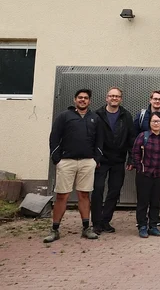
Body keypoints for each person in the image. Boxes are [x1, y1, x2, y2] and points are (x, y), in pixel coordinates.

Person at [44, 89, 103, 243]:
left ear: (89, 101)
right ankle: (55, 229)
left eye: (85, 98)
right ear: (74, 99)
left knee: (84, 195)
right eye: (80, 98)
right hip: (66, 161)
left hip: (87, 162)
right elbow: (54, 137)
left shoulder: (95, 118)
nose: (83, 100)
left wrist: (96, 159)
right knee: (62, 195)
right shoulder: (64, 116)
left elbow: (100, 140)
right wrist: (57, 159)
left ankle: (86, 228)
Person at [92, 87, 134, 234]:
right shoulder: (97, 115)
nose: (114, 98)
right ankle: (96, 222)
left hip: (118, 160)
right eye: (111, 96)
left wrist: (131, 159)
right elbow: (92, 138)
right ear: (106, 98)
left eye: (117, 96)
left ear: (120, 99)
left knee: (114, 191)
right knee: (97, 190)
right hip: (100, 160)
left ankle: (105, 221)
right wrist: (94, 157)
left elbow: (131, 139)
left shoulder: (126, 116)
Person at [131, 112, 160, 238]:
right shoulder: (143, 136)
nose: (156, 123)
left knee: (155, 201)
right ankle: (142, 226)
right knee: (143, 201)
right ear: (149, 123)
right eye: (153, 121)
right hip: (145, 174)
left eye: (158, 121)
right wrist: (139, 167)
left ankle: (153, 226)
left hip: (159, 174)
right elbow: (135, 153)